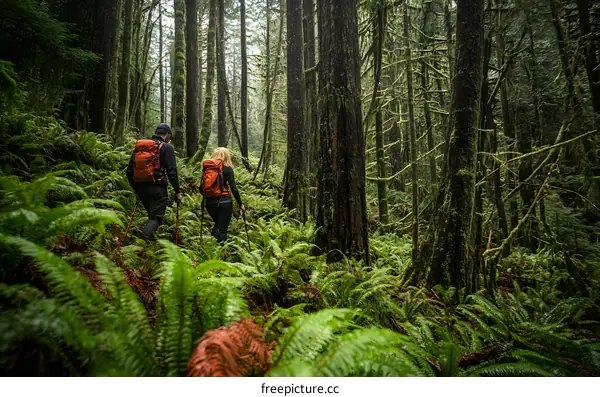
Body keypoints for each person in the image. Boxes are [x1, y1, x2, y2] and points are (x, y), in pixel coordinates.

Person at [126, 123, 183, 240]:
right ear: (167, 135)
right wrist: (177, 191)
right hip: (158, 189)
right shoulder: (166, 147)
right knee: (156, 218)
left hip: (141, 188)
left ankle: (149, 244)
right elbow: (172, 172)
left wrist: (136, 189)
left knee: (152, 217)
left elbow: (129, 171)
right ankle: (143, 242)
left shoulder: (141, 148)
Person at [202, 147, 246, 243]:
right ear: (226, 156)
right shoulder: (228, 168)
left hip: (209, 202)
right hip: (224, 202)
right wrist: (240, 204)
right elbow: (234, 188)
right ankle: (220, 251)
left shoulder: (208, 168)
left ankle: (212, 249)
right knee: (222, 229)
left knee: (217, 224)